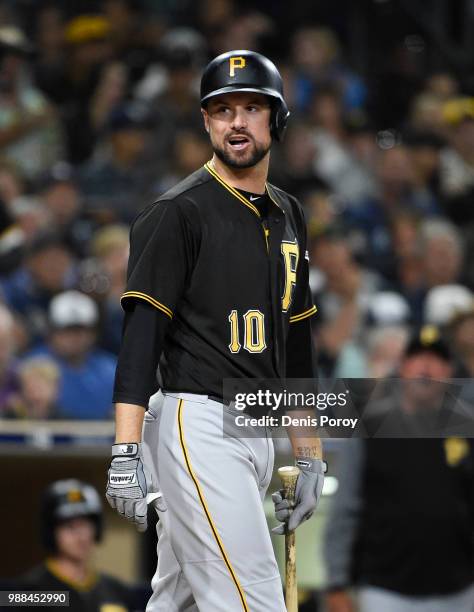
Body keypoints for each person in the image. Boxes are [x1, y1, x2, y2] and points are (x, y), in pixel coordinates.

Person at [106, 50, 325, 611]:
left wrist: (308, 454)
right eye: (223, 110)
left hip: (258, 422)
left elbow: (297, 344)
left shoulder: (289, 214)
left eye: (253, 108)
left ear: (276, 120)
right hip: (197, 424)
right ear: (206, 121)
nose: (237, 122)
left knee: (177, 600)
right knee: (253, 599)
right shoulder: (176, 212)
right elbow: (140, 342)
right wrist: (125, 451)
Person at [324, 327, 474, 612]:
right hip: (385, 587)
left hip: (460, 587)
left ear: (449, 371)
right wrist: (337, 582)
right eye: (418, 359)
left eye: (436, 361)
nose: (426, 369)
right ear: (402, 366)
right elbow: (346, 508)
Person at [18, 479, 135, 611]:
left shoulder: (117, 591)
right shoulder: (31, 591)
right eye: (70, 526)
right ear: (51, 532)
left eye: (86, 525)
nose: (81, 536)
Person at [27, 290, 116, 419]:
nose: (73, 338)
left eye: (80, 330)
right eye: (66, 330)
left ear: (93, 333)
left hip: (100, 437)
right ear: (52, 332)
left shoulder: (110, 369)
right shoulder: (33, 365)